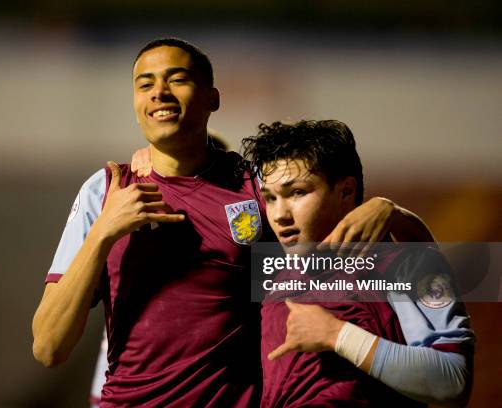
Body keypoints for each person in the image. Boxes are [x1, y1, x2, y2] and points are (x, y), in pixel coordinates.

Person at [32, 38, 438, 407]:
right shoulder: (104, 192)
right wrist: (103, 232)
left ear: (213, 98)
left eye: (177, 79)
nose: (159, 92)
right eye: (145, 83)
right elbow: (48, 348)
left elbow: (378, 269)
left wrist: (389, 210)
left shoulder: (257, 189)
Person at [241, 120, 474, 407]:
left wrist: (336, 334)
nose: (279, 214)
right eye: (270, 198)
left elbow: (453, 381)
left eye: (298, 192)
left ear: (347, 192)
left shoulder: (402, 264)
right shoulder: (274, 269)